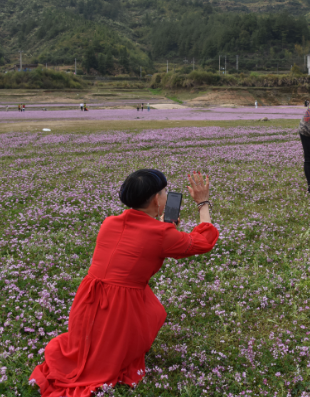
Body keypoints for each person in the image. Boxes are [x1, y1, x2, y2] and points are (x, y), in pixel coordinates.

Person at [30, 170, 218, 396]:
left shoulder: (109, 222)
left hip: (87, 303)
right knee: (151, 314)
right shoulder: (161, 235)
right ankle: (122, 347)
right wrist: (203, 203)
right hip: (119, 309)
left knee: (148, 309)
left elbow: (141, 240)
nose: (167, 196)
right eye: (165, 191)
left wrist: (165, 228)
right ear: (156, 200)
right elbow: (203, 242)